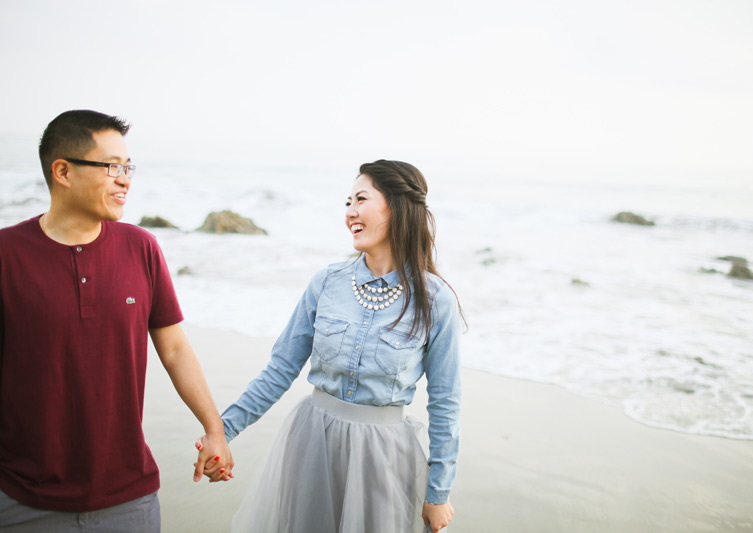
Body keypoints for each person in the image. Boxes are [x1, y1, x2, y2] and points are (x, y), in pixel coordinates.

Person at [0, 110, 233, 532]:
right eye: (111, 167)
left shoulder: (141, 247)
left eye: (128, 168)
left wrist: (214, 429)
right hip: (22, 500)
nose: (125, 179)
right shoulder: (6, 255)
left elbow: (175, 348)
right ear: (63, 172)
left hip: (130, 499)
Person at [201, 160, 462, 532]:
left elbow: (445, 404)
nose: (350, 212)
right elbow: (279, 370)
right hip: (313, 446)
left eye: (361, 199)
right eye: (347, 202)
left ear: (397, 207)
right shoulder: (327, 283)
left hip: (382, 459)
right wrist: (222, 433)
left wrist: (438, 493)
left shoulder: (436, 300)